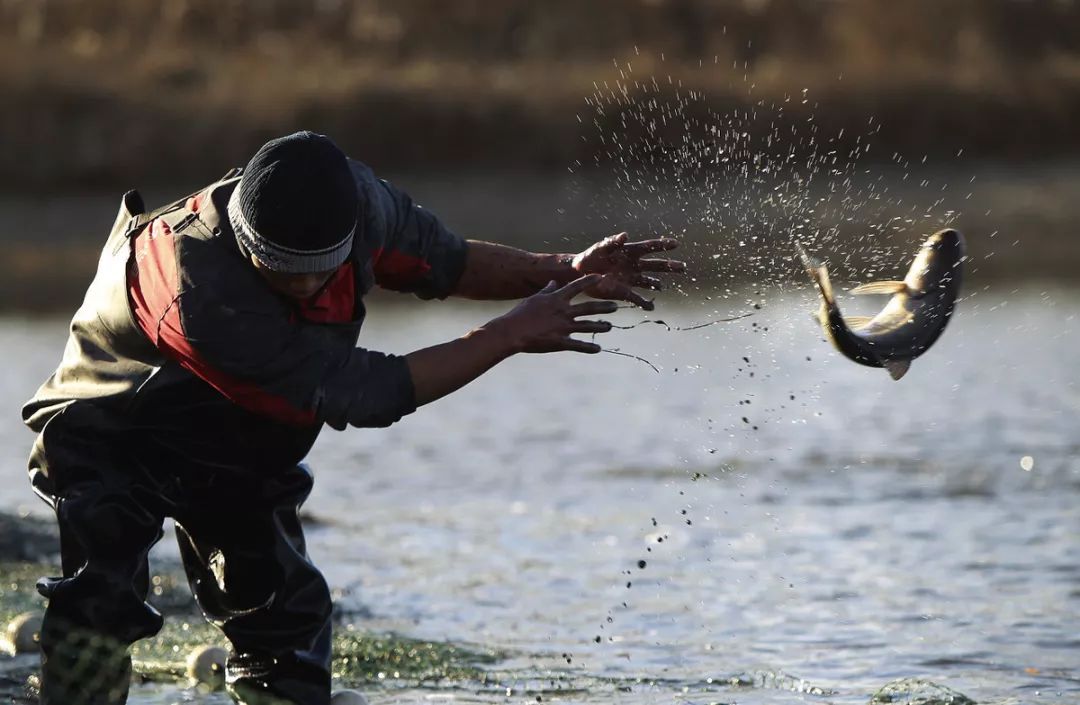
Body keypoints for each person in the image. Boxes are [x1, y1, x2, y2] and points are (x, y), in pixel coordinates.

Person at [21, 131, 684, 705]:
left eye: (320, 271)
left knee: (285, 616)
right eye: (282, 273)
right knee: (101, 600)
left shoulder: (359, 202)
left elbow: (447, 263)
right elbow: (371, 392)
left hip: (240, 438)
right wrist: (508, 335)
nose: (306, 288)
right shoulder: (202, 294)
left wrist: (558, 270)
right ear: (250, 245)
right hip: (112, 421)